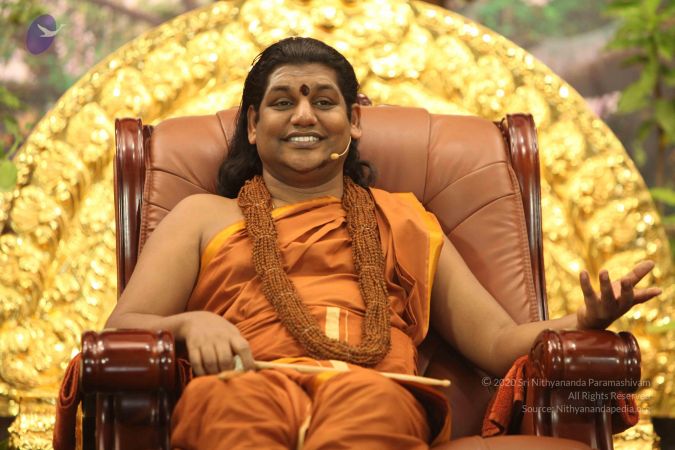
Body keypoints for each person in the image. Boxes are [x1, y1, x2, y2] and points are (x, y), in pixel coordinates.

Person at [104, 37, 662, 449]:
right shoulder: (203, 217)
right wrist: (190, 324)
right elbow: (121, 326)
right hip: (241, 383)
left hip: (376, 388)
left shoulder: (404, 220)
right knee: (234, 411)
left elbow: (495, 341)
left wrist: (583, 321)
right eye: (282, 102)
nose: (304, 115)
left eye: (324, 101)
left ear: (354, 121)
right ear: (253, 125)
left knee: (368, 410)